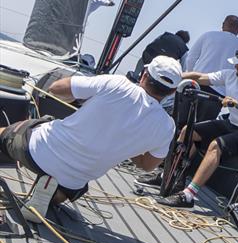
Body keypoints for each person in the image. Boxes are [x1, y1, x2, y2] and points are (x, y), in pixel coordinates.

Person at [0, 56, 181, 221]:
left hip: (37, 150)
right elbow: (147, 165)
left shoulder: (118, 83)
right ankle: (51, 195)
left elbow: (56, 89)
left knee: (8, 132)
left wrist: (82, 100)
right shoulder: (167, 127)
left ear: (143, 75)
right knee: (74, 187)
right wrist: (127, 141)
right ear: (172, 92)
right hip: (72, 179)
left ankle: (41, 177)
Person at [156, 46, 238, 209]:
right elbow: (199, 77)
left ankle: (188, 195)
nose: (235, 66)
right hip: (231, 123)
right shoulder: (230, 75)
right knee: (188, 131)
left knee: (215, 146)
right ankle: (169, 177)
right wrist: (173, 77)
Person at [182, 15, 238, 122]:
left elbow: (190, 58)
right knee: (200, 132)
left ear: (223, 25)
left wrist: (191, 77)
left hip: (196, 86)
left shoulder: (208, 35)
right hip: (217, 95)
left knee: (180, 123)